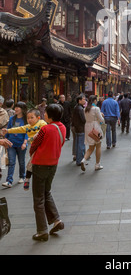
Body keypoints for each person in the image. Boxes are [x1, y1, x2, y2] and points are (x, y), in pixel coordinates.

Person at [30, 103, 66, 241]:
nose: (43, 114)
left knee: (38, 198)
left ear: (49, 115)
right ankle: (57, 220)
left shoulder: (45, 129)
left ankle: (42, 230)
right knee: (46, 192)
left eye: (45, 112)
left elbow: (35, 143)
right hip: (53, 164)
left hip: (40, 165)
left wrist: (32, 152)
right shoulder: (62, 127)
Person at [2, 109, 47, 191]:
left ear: (38, 118)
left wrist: (31, 138)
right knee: (30, 165)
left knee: (30, 164)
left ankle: (26, 178)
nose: (29, 120)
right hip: (34, 148)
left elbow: (43, 130)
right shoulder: (28, 127)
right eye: (28, 118)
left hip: (41, 148)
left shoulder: (41, 123)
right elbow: (19, 129)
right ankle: (26, 178)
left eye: (31, 117)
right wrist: (8, 130)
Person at [2, 102, 28, 188]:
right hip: (11, 144)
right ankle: (9, 181)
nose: (16, 109)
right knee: (11, 162)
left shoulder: (26, 120)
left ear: (22, 109)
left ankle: (22, 176)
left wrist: (25, 143)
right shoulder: (12, 118)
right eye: (16, 107)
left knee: (21, 162)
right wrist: (5, 138)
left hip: (21, 144)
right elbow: (8, 130)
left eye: (18, 107)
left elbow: (28, 132)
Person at [80, 95, 105, 172]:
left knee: (91, 147)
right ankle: (97, 164)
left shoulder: (85, 109)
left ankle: (83, 160)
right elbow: (101, 120)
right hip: (95, 128)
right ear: (94, 100)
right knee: (98, 145)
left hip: (88, 128)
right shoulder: (96, 109)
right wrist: (102, 116)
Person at [71, 94, 86, 166]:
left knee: (78, 144)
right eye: (83, 99)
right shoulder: (80, 109)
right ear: (79, 100)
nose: (85, 100)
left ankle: (78, 158)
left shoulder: (76, 107)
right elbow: (83, 120)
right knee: (80, 145)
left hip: (77, 128)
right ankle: (79, 160)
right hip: (80, 128)